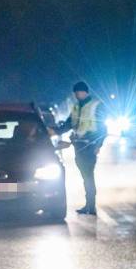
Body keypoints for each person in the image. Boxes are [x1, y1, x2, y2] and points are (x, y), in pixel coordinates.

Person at [57, 81, 107, 215]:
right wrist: (56, 131)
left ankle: (91, 206)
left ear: (84, 92)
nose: (76, 95)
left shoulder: (95, 106)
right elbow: (68, 124)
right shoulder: (76, 107)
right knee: (85, 176)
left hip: (89, 146)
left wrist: (98, 145)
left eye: (78, 92)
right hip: (79, 146)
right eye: (75, 93)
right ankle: (88, 206)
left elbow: (103, 129)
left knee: (88, 176)